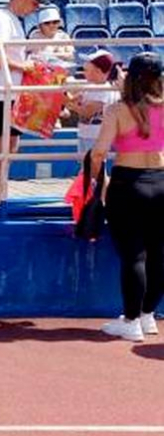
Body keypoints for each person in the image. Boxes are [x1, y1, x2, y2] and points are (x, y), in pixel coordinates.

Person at [90, 52, 164, 342]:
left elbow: (98, 153)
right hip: (161, 181)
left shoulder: (118, 110)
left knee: (134, 254)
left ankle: (131, 320)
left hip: (128, 184)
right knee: (158, 253)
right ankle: (147, 315)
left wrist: (99, 181)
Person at [0, 0, 48, 207]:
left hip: (7, 95)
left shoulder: (12, 21)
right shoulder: (1, 20)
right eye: (35, 3)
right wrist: (24, 67)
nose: (35, 9)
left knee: (7, 151)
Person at [66, 50, 121, 155]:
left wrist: (71, 105)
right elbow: (74, 99)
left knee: (93, 162)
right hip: (87, 134)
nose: (84, 73)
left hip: (96, 137)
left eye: (86, 70)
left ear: (98, 71)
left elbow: (88, 112)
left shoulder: (102, 89)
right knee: (86, 162)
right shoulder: (91, 87)